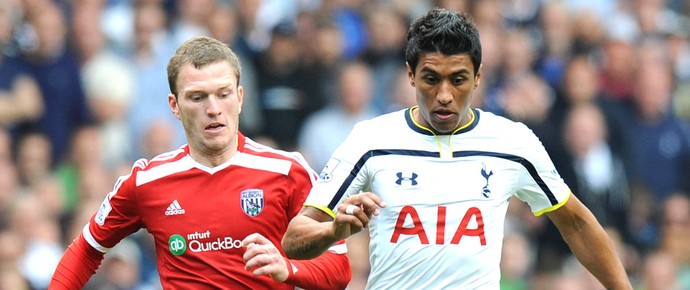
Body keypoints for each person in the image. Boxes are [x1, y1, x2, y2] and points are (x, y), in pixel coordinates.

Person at [281, 8, 632, 289]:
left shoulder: (513, 141)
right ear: (410, 75)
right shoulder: (370, 140)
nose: (444, 95)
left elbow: (577, 224)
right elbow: (293, 239)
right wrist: (332, 231)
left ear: (478, 76)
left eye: (459, 79)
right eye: (431, 79)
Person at [49, 36, 351, 290]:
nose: (214, 109)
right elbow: (87, 249)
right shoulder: (146, 181)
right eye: (197, 97)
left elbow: (339, 268)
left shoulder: (288, 171)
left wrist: (289, 269)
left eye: (224, 94)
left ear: (241, 97)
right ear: (174, 106)